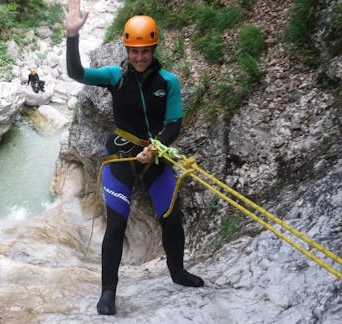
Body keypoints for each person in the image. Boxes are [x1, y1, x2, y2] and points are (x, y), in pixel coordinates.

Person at [63, 0, 204, 316]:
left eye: (145, 51)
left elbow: (174, 123)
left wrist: (154, 149)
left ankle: (177, 272)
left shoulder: (168, 82)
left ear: (153, 48)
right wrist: (72, 36)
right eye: (134, 51)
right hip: (121, 156)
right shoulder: (115, 76)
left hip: (154, 153)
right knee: (116, 224)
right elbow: (77, 72)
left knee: (171, 218)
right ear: (126, 50)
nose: (139, 57)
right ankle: (108, 292)